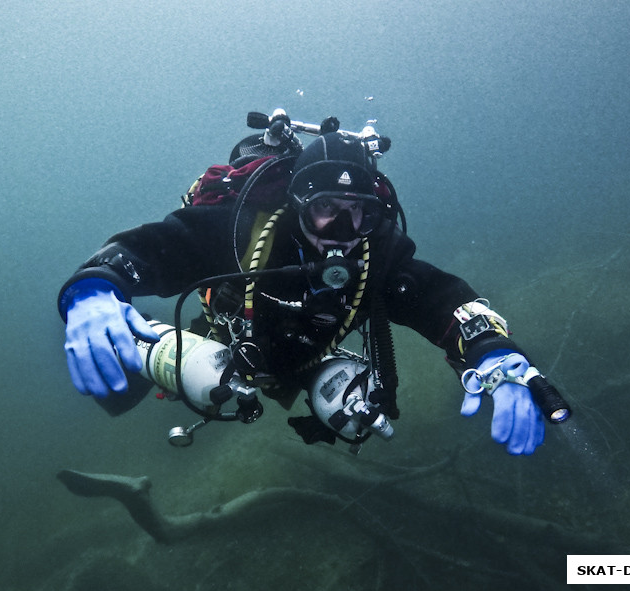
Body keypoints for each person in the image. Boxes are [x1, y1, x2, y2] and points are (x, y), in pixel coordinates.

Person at [58, 113, 564, 455]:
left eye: (357, 213)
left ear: (374, 214)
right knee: (140, 387)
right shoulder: (242, 227)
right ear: (299, 204)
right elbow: (154, 246)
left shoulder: (377, 253)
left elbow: (439, 298)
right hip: (231, 336)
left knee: (348, 413)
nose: (343, 233)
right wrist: (93, 290)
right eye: (325, 209)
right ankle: (149, 344)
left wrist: (494, 352)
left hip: (306, 357)